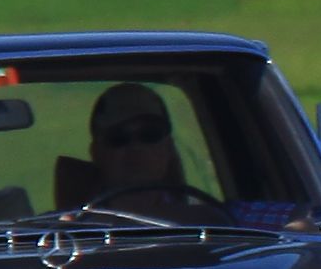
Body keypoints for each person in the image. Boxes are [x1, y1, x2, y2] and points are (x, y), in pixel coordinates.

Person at [61, 81, 227, 221]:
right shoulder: (64, 233)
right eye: (118, 138)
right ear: (96, 153)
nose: (136, 148)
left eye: (150, 135)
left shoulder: (220, 223)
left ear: (168, 147)